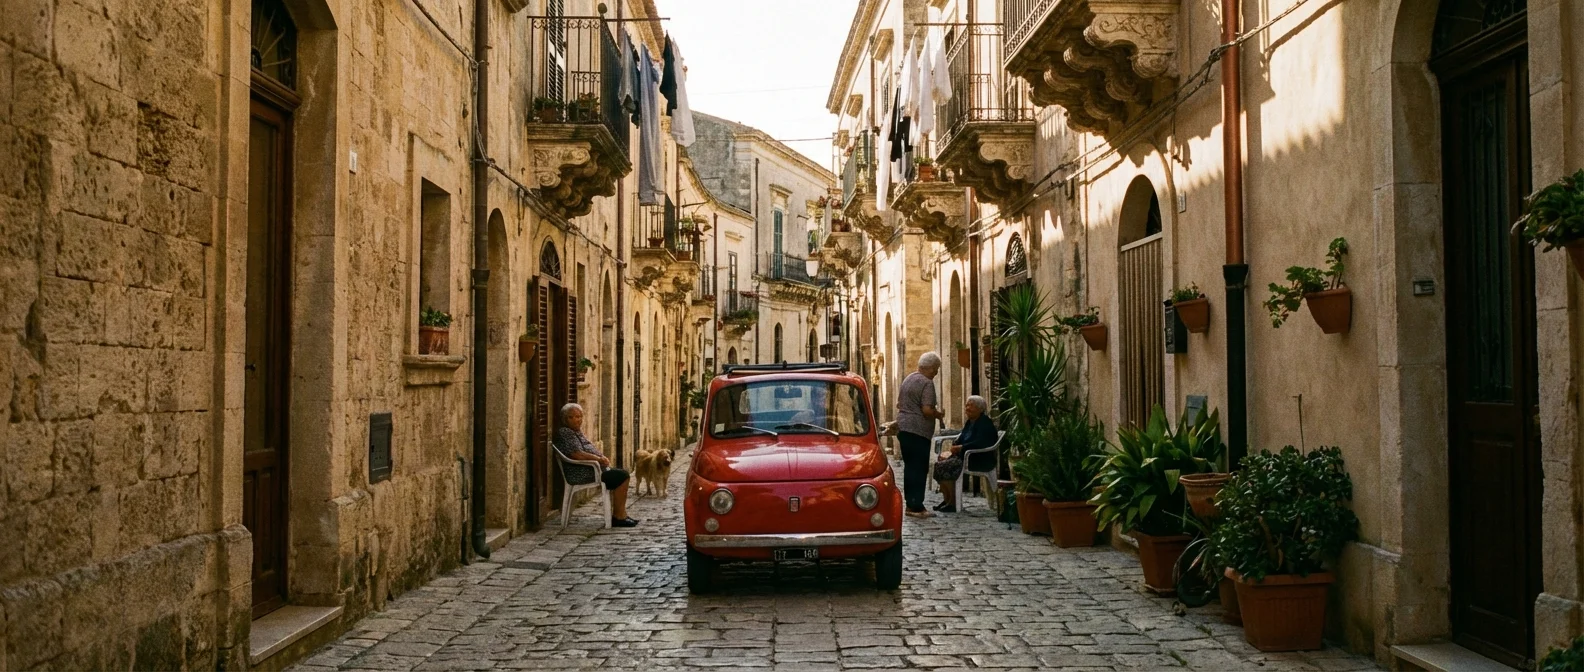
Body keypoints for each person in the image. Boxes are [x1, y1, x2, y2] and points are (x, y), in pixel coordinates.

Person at [552, 403, 639, 527]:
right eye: (571, 417)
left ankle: (621, 514)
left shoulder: (576, 432)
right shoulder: (566, 432)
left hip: (592, 469)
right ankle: (619, 517)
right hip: (582, 472)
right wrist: (598, 459)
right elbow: (577, 454)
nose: (576, 420)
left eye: (579, 416)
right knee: (622, 476)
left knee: (620, 474)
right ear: (564, 419)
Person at [896, 352, 946, 517]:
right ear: (930, 368)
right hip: (918, 431)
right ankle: (916, 506)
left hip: (904, 429)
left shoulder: (909, 379)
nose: (936, 373)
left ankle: (910, 504)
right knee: (919, 468)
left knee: (910, 468)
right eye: (936, 369)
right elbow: (926, 410)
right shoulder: (927, 383)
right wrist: (938, 414)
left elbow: (899, 404)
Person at [933, 395, 998, 513]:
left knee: (947, 466)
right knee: (939, 465)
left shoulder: (985, 423)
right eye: (967, 405)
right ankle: (947, 500)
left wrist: (962, 447)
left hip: (979, 459)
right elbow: (962, 438)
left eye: (971, 406)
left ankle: (952, 503)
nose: (967, 408)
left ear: (980, 409)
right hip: (967, 456)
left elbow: (981, 442)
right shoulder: (970, 422)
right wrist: (954, 448)